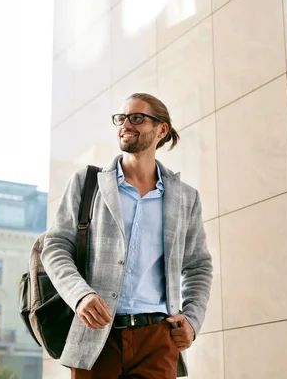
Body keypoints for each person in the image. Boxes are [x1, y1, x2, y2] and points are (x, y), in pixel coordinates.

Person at [42, 93, 213, 378]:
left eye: (136, 118)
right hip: (96, 336)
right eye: (121, 118)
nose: (125, 125)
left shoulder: (185, 197)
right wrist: (80, 296)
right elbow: (56, 247)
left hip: (157, 339)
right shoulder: (88, 183)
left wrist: (193, 319)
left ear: (161, 130)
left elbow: (198, 266)